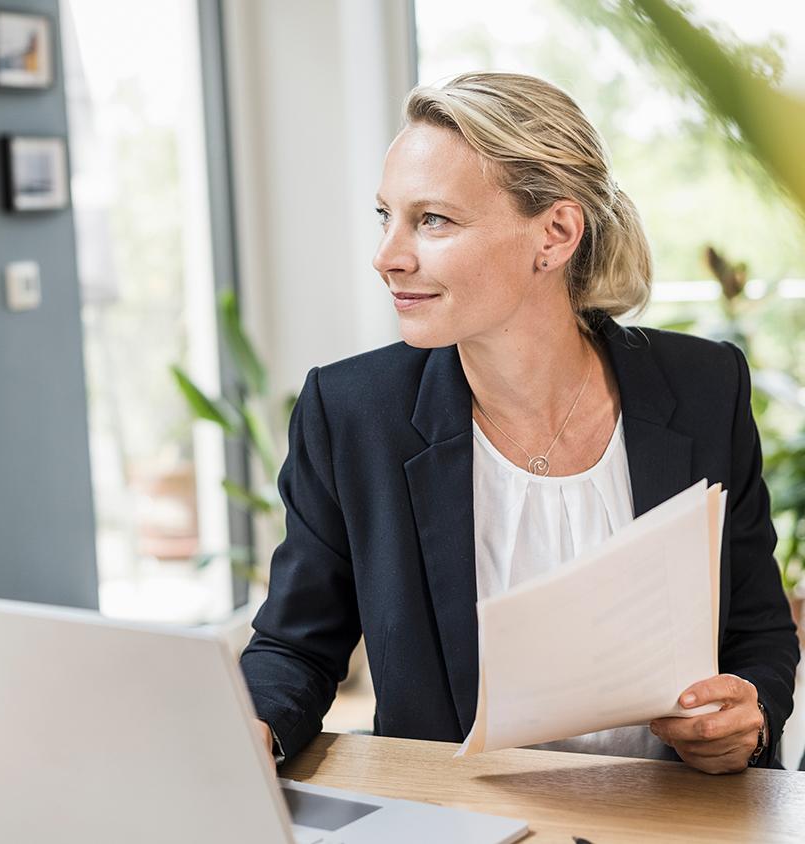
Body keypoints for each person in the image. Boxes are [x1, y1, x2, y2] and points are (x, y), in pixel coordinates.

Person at [241, 72, 799, 773]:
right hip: (461, 821)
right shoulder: (353, 411)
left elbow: (757, 629)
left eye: (433, 220)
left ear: (556, 234)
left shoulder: (704, 386)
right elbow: (295, 647)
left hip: (676, 817)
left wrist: (746, 712)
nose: (387, 255)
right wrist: (252, 731)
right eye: (385, 215)